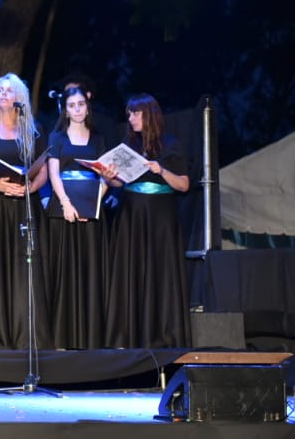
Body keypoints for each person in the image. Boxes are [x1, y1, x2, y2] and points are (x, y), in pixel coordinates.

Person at [0, 73, 51, 350]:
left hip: (24, 207)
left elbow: (43, 172)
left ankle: (27, 335)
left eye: (9, 89)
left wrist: (29, 189)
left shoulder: (34, 131)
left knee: (24, 269)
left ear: (19, 96)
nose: (4, 93)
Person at [104, 94, 191, 349]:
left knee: (160, 273)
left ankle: (164, 337)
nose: (130, 119)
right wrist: (109, 178)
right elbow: (119, 182)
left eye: (135, 113)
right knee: (132, 272)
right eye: (128, 114)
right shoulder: (128, 145)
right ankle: (127, 337)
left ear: (149, 114)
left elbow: (184, 185)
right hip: (132, 217)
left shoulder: (171, 145)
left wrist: (161, 170)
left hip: (160, 218)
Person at [44, 86, 109, 349]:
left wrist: (93, 203)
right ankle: (61, 337)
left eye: (81, 104)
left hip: (91, 211)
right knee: (64, 273)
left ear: (87, 106)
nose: (77, 109)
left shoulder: (97, 139)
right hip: (64, 211)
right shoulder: (57, 137)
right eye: (72, 105)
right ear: (65, 109)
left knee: (89, 271)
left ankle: (91, 339)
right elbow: (54, 175)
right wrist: (67, 205)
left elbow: (105, 175)